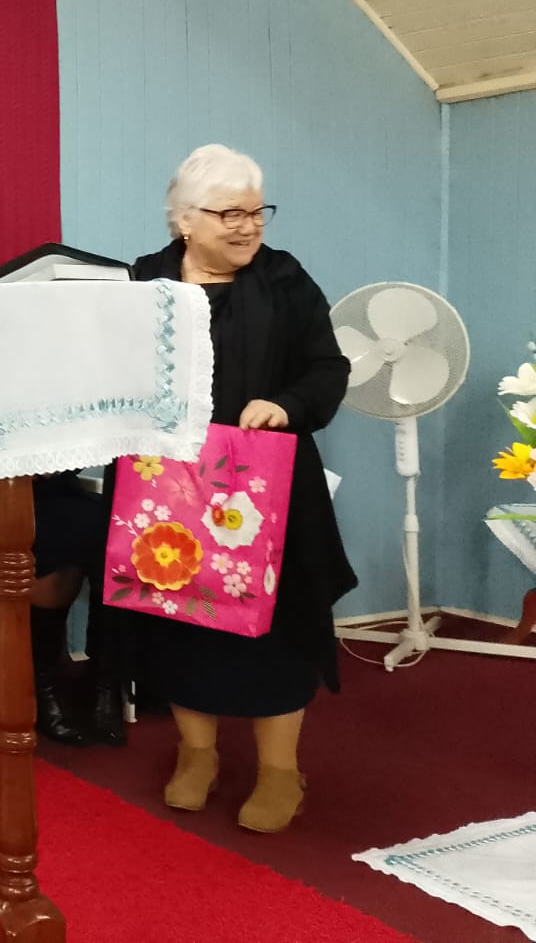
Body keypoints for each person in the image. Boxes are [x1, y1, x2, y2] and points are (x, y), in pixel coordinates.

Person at [121, 143, 354, 834]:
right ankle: (198, 755)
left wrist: (285, 404)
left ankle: (280, 771)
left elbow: (328, 368)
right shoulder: (144, 282)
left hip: (270, 489)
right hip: (171, 488)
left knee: (277, 631)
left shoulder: (285, 279)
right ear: (185, 220)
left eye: (257, 212)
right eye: (231, 214)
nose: (249, 226)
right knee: (181, 625)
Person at [0, 471, 126, 747]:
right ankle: (43, 687)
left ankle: (104, 683)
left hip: (59, 492)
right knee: (57, 537)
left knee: (118, 532)